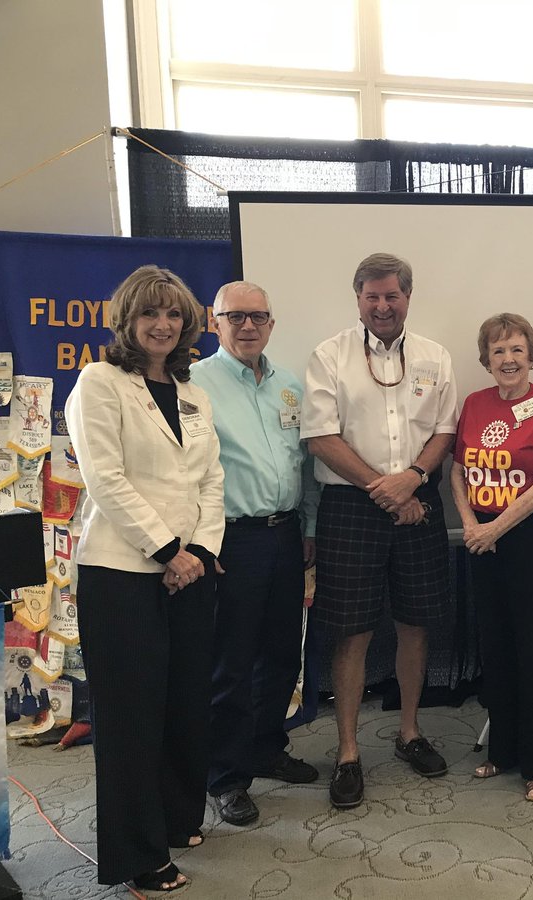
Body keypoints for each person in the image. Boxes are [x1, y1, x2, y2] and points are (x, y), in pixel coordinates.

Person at [65, 265, 224, 891]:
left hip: (191, 571)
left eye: (174, 314)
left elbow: (211, 477)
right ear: (127, 321)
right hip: (123, 571)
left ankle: (177, 818)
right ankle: (138, 855)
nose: (164, 325)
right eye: (150, 314)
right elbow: (104, 479)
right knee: (132, 717)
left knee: (185, 704)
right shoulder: (99, 382)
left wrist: (203, 551)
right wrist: (168, 551)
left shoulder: (193, 390)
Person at [302, 252, 458, 809]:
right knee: (352, 632)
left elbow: (444, 432)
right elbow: (321, 437)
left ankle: (409, 732)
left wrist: (412, 480)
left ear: (407, 298)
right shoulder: (329, 356)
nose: (383, 305)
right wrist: (385, 489)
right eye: (372, 296)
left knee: (416, 624)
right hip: (351, 506)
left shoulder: (435, 356)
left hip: (418, 501)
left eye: (392, 296)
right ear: (359, 298)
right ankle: (347, 752)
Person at [190, 281, 320, 827]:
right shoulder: (193, 384)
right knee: (231, 663)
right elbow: (185, 472)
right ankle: (225, 777)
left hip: (287, 535)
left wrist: (309, 527)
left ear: (271, 324)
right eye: (235, 317)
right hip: (231, 541)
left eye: (258, 316)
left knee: (281, 653)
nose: (247, 326)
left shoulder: (290, 385)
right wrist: (201, 539)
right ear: (213, 323)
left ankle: (266, 748)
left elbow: (305, 465)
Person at [450, 313, 533, 802]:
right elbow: (459, 472)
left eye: (517, 350)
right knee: (497, 646)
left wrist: (495, 527)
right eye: (499, 351)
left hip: (532, 537)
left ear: (531, 356)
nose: (508, 359)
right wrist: (470, 524)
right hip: (482, 536)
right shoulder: (475, 404)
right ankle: (502, 751)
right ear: (487, 358)